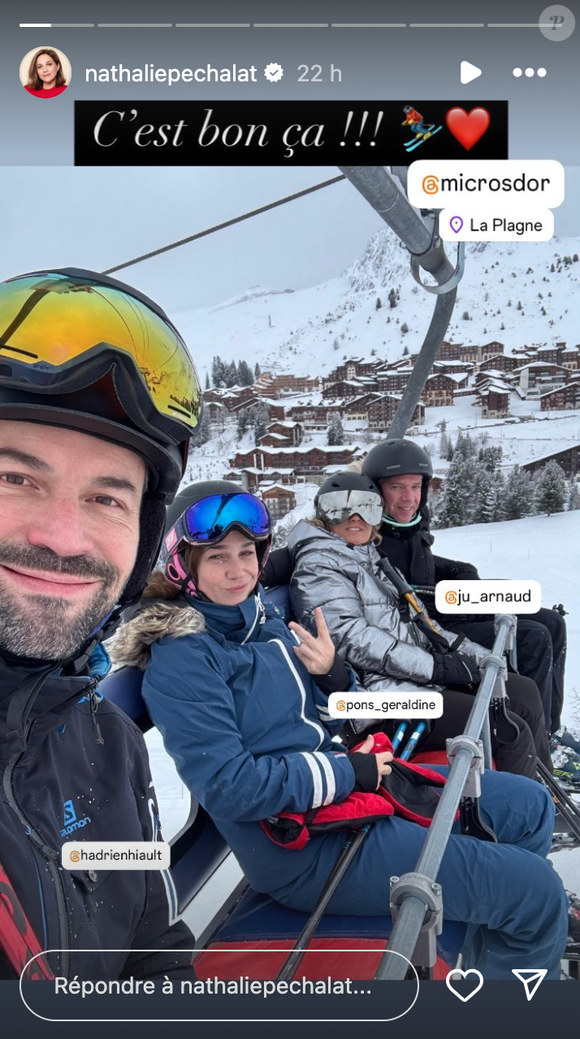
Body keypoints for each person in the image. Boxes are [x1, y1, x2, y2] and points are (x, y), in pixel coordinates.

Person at [112, 482, 572, 980]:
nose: (238, 570)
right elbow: (231, 787)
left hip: (346, 801)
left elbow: (332, 715)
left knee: (529, 805)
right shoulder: (184, 658)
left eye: (247, 553)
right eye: (217, 557)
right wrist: (350, 771)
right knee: (538, 895)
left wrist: (332, 674)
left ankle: (484, 946)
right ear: (185, 566)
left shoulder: (262, 626)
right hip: (301, 846)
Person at [0, 266, 202, 981]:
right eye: (16, 476)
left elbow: (152, 953)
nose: (63, 536)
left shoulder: (110, 745)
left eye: (108, 498)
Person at [287, 472, 552, 778]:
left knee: (520, 688)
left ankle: (546, 788)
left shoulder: (366, 556)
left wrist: (475, 657)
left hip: (403, 679)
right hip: (374, 700)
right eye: (340, 508)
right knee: (510, 724)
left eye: (367, 507)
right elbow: (350, 638)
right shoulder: (319, 564)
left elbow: (418, 621)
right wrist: (435, 668)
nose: (355, 517)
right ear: (322, 514)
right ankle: (522, 810)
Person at [361, 438, 568, 740]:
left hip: (445, 602)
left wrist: (456, 568)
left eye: (416, 487)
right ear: (376, 490)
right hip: (430, 625)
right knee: (533, 637)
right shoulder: (370, 534)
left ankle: (551, 728)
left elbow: (418, 557)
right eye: (397, 487)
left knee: (552, 621)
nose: (409, 498)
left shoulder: (412, 521)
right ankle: (535, 736)